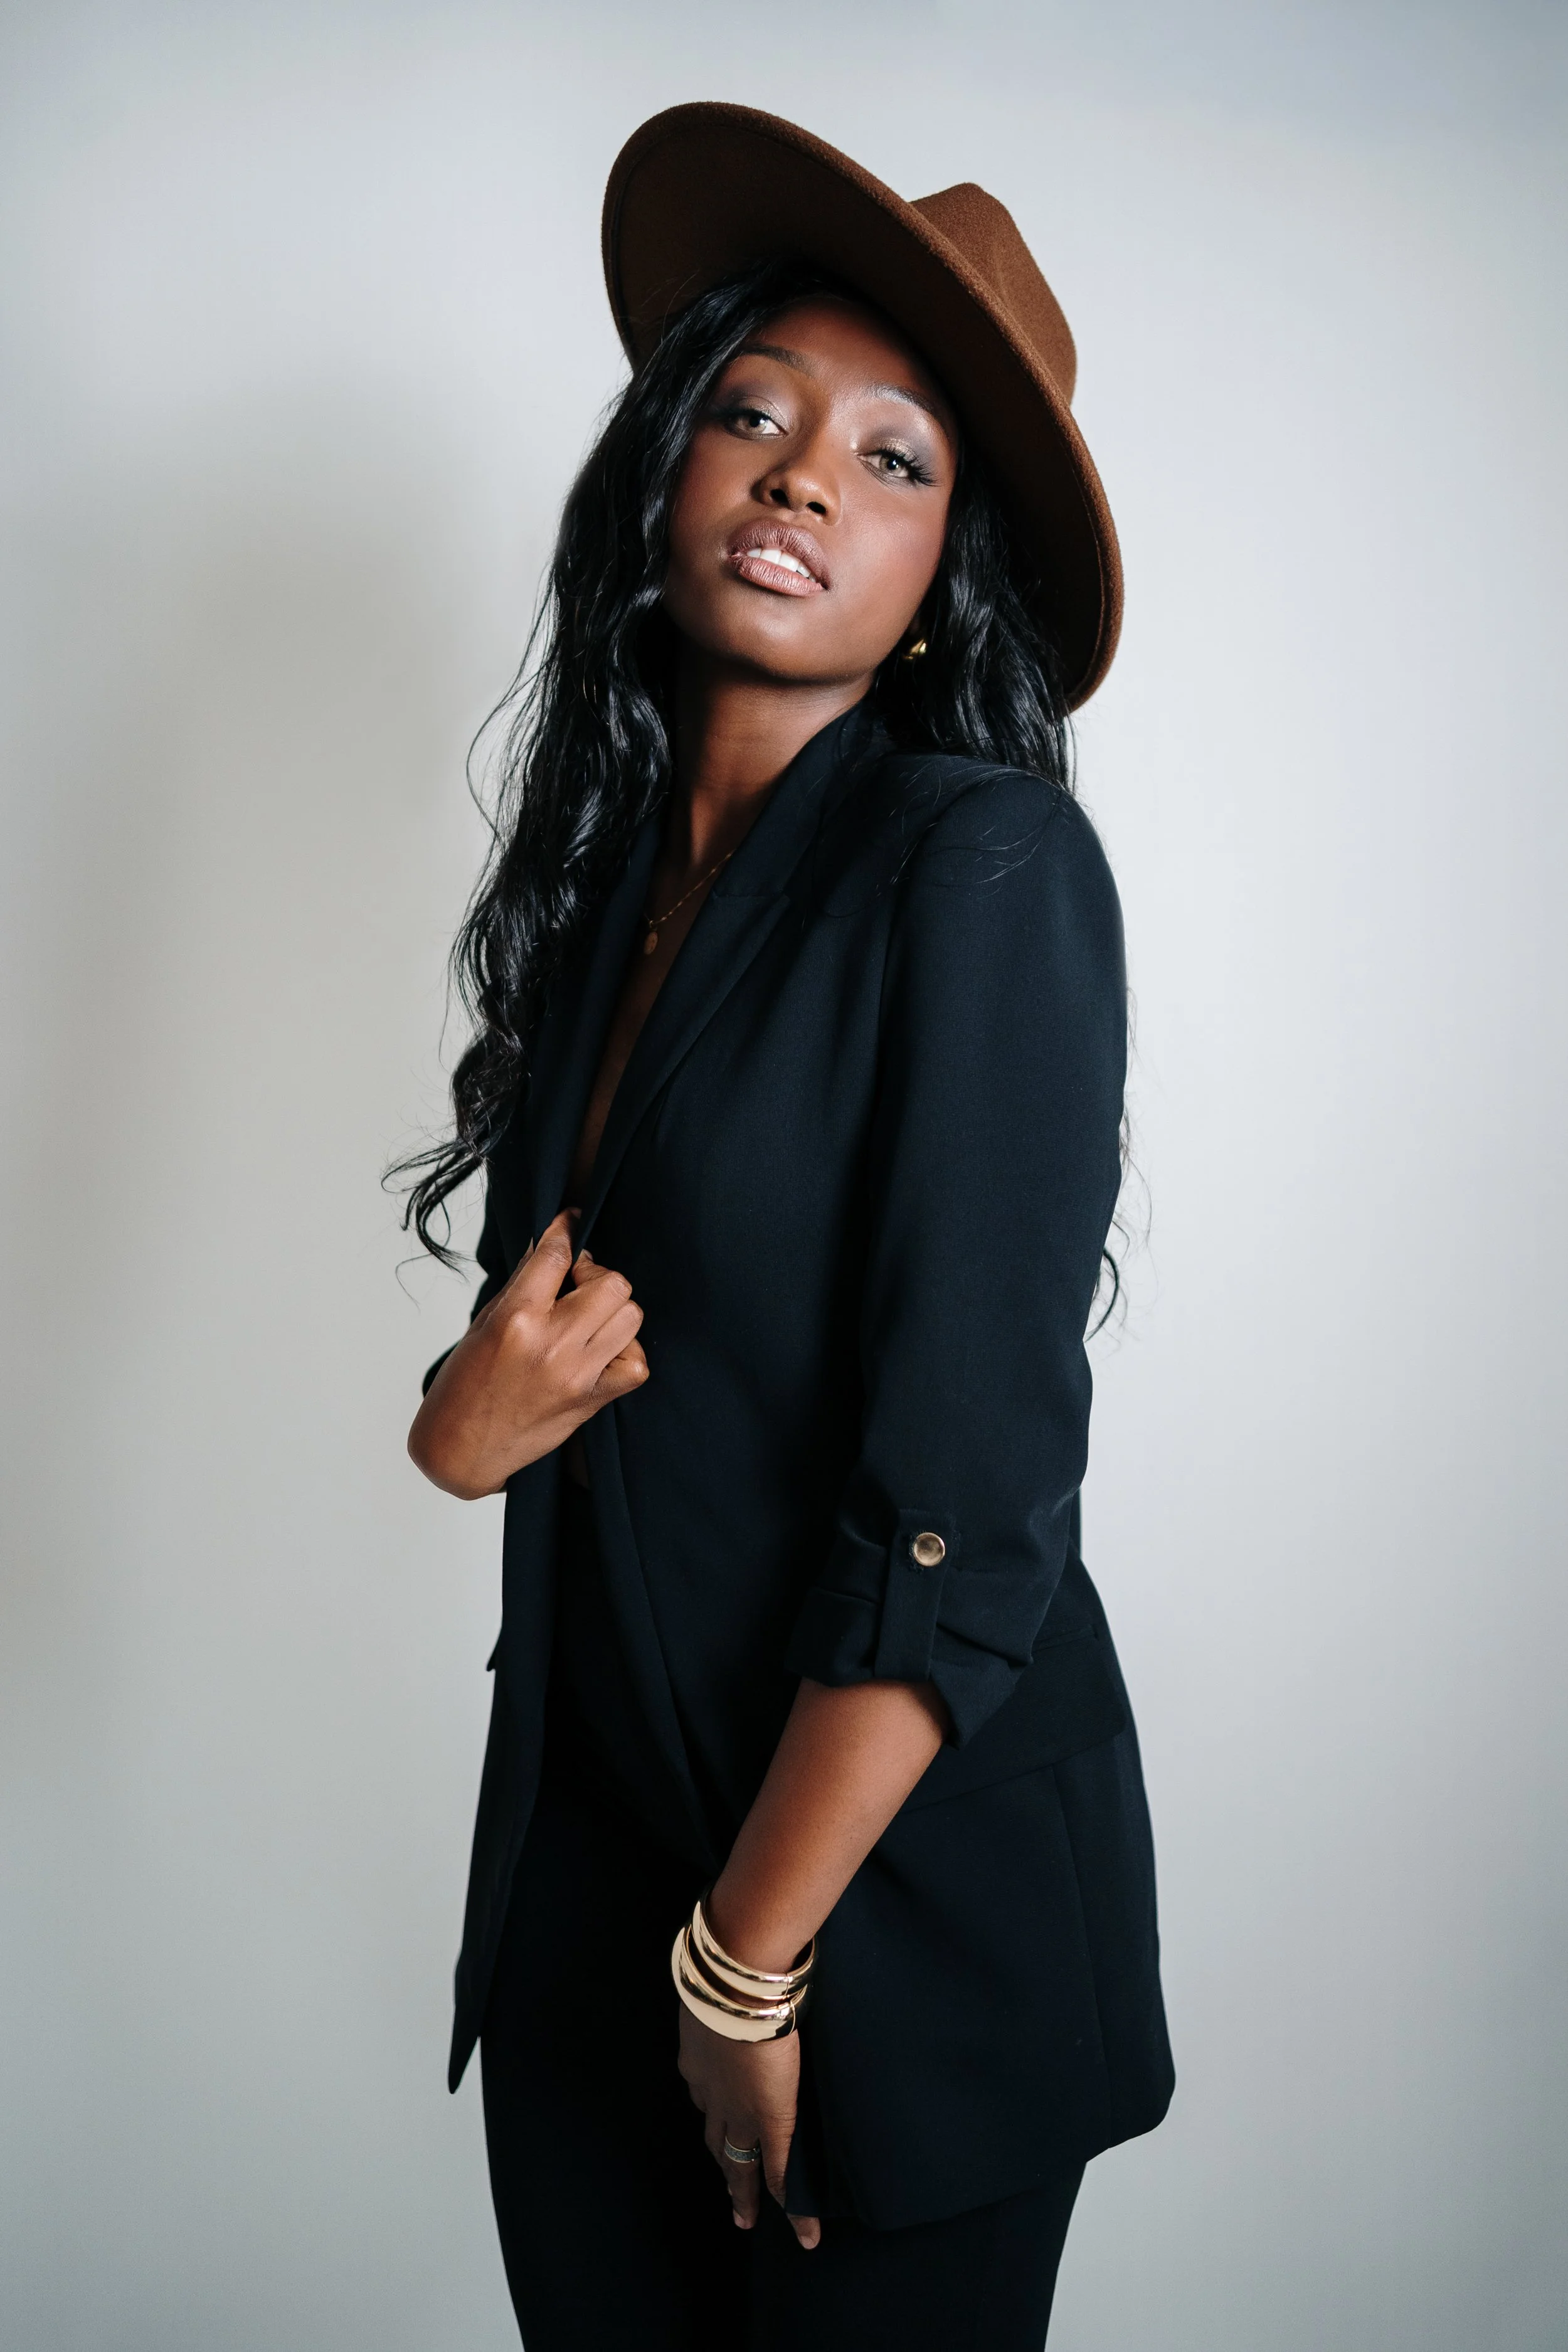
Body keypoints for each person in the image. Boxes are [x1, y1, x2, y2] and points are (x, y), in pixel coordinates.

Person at [403, 102, 1173, 2352]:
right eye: (754, 412)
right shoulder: (609, 898)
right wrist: (459, 1432)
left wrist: (746, 1961)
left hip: (877, 1938)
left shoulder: (981, 868)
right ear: (663, 467)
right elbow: (556, 1364)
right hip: (584, 1900)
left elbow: (972, 1511)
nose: (806, 475)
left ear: (953, 572)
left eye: (895, 458)